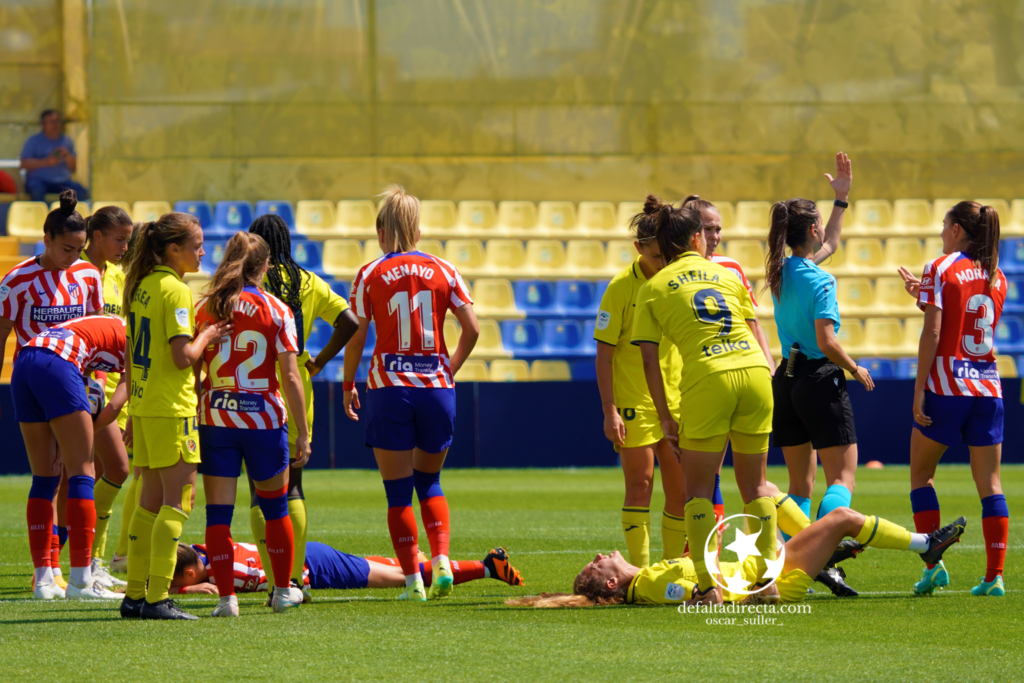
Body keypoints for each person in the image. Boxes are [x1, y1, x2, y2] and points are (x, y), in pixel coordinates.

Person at [631, 197, 775, 606]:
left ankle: (709, 589)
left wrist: (665, 418)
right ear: (696, 238)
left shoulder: (653, 287)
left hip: (709, 379)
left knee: (696, 491)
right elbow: (752, 325)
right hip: (755, 374)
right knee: (756, 486)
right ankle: (767, 583)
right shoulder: (724, 273)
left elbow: (648, 358)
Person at [343, 185, 480, 601]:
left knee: (398, 492)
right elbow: (472, 329)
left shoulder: (370, 273)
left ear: (382, 231)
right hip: (436, 388)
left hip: (390, 389)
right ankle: (440, 561)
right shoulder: (445, 269)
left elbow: (355, 332)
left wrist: (349, 383)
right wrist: (447, 370)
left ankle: (412, 583)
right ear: (417, 230)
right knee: (431, 482)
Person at [763, 153, 872, 596]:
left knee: (798, 486)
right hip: (818, 377)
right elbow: (826, 339)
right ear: (811, 229)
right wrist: (854, 366)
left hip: (785, 384)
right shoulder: (821, 282)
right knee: (841, 479)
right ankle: (824, 556)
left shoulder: (779, 271)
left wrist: (840, 201)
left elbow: (827, 247)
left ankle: (796, 565)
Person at [119, 212, 232, 621]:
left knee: (148, 504)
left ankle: (134, 596)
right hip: (172, 408)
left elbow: (133, 355)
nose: (203, 252)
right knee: (177, 503)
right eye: (196, 245)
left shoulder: (141, 286)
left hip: (147, 405)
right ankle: (156, 599)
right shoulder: (175, 291)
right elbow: (183, 358)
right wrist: (208, 335)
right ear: (173, 249)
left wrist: (133, 409)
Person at [507, 509, 966, 607]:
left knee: (767, 493)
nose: (598, 555)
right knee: (842, 517)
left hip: (762, 564)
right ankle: (928, 546)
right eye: (595, 565)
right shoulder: (647, 585)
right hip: (771, 577)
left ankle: (824, 558)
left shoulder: (648, 573)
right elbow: (705, 598)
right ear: (610, 584)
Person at [897, 201, 1009, 597]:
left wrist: (918, 389)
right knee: (991, 485)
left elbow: (934, 334)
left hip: (946, 388)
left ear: (958, 229)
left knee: (921, 474)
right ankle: (994, 577)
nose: (942, 233)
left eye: (945, 226)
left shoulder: (941, 267)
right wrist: (923, 294)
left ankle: (934, 566)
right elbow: (967, 318)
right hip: (988, 389)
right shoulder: (998, 276)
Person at [195, 232, 309, 617]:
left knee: (218, 515)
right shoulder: (278, 310)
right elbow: (291, 377)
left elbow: (193, 372)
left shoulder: (207, 308)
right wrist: (303, 432)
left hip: (216, 418)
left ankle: (227, 599)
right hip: (263, 421)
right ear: (265, 267)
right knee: (275, 508)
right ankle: (281, 591)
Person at [246, 215, 358, 600]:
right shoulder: (308, 282)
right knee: (293, 485)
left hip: (254, 386)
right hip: (297, 388)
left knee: (260, 490)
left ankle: (272, 576)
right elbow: (350, 321)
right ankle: (293, 580)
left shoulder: (249, 284)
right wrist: (322, 361)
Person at [0, 190, 103, 588]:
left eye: (79, 249)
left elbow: (94, 329)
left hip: (76, 378)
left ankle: (51, 574)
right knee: (62, 473)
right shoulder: (16, 280)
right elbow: (3, 334)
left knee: (58, 474)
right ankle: (70, 576)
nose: (73, 257)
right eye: (66, 248)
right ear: (45, 239)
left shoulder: (88, 275)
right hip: (38, 377)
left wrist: (95, 382)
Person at [593, 204, 687, 568]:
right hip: (634, 400)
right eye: (655, 255)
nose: (663, 262)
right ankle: (640, 570)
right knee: (641, 485)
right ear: (638, 248)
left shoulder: (677, 281)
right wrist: (609, 409)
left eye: (667, 254)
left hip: (678, 398)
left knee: (679, 489)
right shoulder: (620, 288)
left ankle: (671, 569)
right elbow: (603, 354)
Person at [13, 314, 128, 600]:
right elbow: (114, 406)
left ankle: (44, 582)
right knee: (82, 472)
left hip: (25, 360)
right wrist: (77, 434)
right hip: (58, 362)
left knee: (44, 477)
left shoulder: (113, 325)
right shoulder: (144, 339)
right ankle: (81, 582)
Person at [80, 206, 134, 584]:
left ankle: (89, 563)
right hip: (87, 387)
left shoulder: (118, 275)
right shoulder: (76, 273)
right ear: (97, 236)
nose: (124, 247)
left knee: (98, 472)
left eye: (128, 240)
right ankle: (84, 563)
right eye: (118, 239)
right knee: (115, 469)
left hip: (119, 387)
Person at [170, 543, 523, 595]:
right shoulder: (205, 549)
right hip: (310, 553)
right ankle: (487, 564)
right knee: (397, 566)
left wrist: (183, 591)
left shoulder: (224, 571)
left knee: (403, 576)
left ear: (189, 574)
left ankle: (487, 567)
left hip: (315, 566)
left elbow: (271, 580)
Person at [684, 194, 775, 371]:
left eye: (718, 229)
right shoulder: (673, 271)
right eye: (708, 229)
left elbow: (752, 320)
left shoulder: (731, 266)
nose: (714, 236)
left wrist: (768, 363)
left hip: (736, 364)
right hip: (695, 368)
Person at [20, 110, 89, 202]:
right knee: (36, 191)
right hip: (40, 181)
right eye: (52, 122)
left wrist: (67, 155)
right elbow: (24, 164)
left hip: (63, 182)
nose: (55, 125)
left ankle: (72, 216)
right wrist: (46, 162)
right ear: (43, 124)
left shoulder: (67, 141)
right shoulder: (33, 141)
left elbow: (74, 168)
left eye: (57, 121)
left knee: (81, 192)